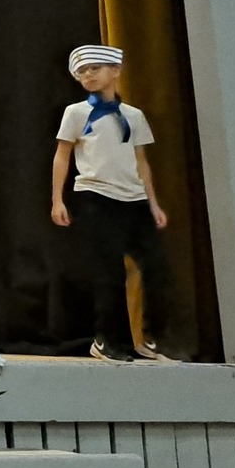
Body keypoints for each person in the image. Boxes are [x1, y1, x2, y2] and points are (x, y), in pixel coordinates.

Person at [52, 45, 178, 362]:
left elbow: (141, 161)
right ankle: (108, 340)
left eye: (94, 68)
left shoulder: (133, 115)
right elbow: (62, 155)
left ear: (116, 70)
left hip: (134, 198)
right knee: (109, 272)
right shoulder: (76, 113)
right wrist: (57, 199)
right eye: (82, 71)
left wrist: (153, 203)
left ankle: (149, 338)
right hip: (95, 195)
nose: (88, 74)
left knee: (157, 268)